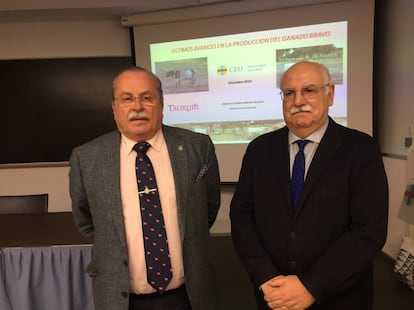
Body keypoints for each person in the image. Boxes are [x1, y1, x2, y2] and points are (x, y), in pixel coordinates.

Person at [230, 61, 388, 310]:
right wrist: (265, 276)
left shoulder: (361, 150)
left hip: (339, 298)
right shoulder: (259, 150)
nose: (298, 100)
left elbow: (368, 232)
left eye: (310, 90)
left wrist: (312, 286)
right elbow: (241, 218)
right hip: (274, 297)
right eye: (289, 93)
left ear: (330, 94)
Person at [69, 66, 221, 310]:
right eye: (127, 98)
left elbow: (207, 211)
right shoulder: (86, 158)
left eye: (147, 98)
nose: (137, 106)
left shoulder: (197, 147)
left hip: (189, 296)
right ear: (114, 108)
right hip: (121, 299)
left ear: (161, 104)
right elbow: (85, 221)